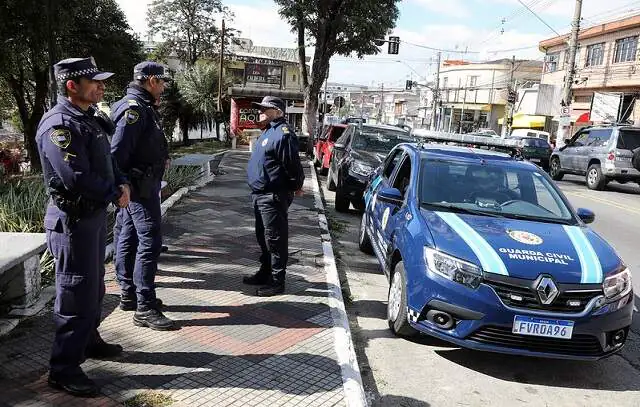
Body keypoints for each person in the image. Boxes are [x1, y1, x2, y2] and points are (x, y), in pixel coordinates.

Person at [36, 57, 131, 397]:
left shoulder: (88, 120)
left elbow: (107, 161)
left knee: (93, 288)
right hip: (72, 223)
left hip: (91, 219)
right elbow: (74, 177)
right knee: (75, 292)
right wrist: (113, 193)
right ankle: (63, 369)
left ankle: (89, 341)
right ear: (72, 86)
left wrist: (120, 183)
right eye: (94, 81)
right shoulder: (59, 124)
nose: (101, 86)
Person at [110, 61, 174, 330]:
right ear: (150, 80)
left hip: (141, 185)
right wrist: (123, 185)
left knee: (129, 236)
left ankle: (129, 294)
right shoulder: (134, 109)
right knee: (150, 242)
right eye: (161, 82)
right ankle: (144, 307)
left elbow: (145, 145)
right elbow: (117, 154)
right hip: (139, 188)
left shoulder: (144, 106)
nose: (163, 87)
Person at [245, 96, 305, 297]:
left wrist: (296, 186)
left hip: (273, 196)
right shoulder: (269, 131)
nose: (260, 110)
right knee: (263, 237)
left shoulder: (283, 134)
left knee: (275, 240)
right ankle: (265, 272)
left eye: (265, 108)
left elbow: (292, 165)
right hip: (260, 194)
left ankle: (277, 281)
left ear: (278, 112)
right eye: (260, 107)